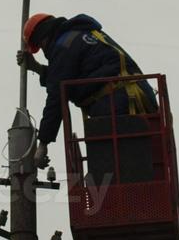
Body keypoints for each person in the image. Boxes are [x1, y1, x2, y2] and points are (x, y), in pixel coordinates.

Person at [17, 13, 158, 179]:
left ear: (43, 38)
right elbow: (69, 76)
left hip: (118, 102)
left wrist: (43, 144)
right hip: (133, 97)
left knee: (112, 177)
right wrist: (38, 68)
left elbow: (57, 95)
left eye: (40, 46)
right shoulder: (78, 36)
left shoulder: (63, 45)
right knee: (138, 168)